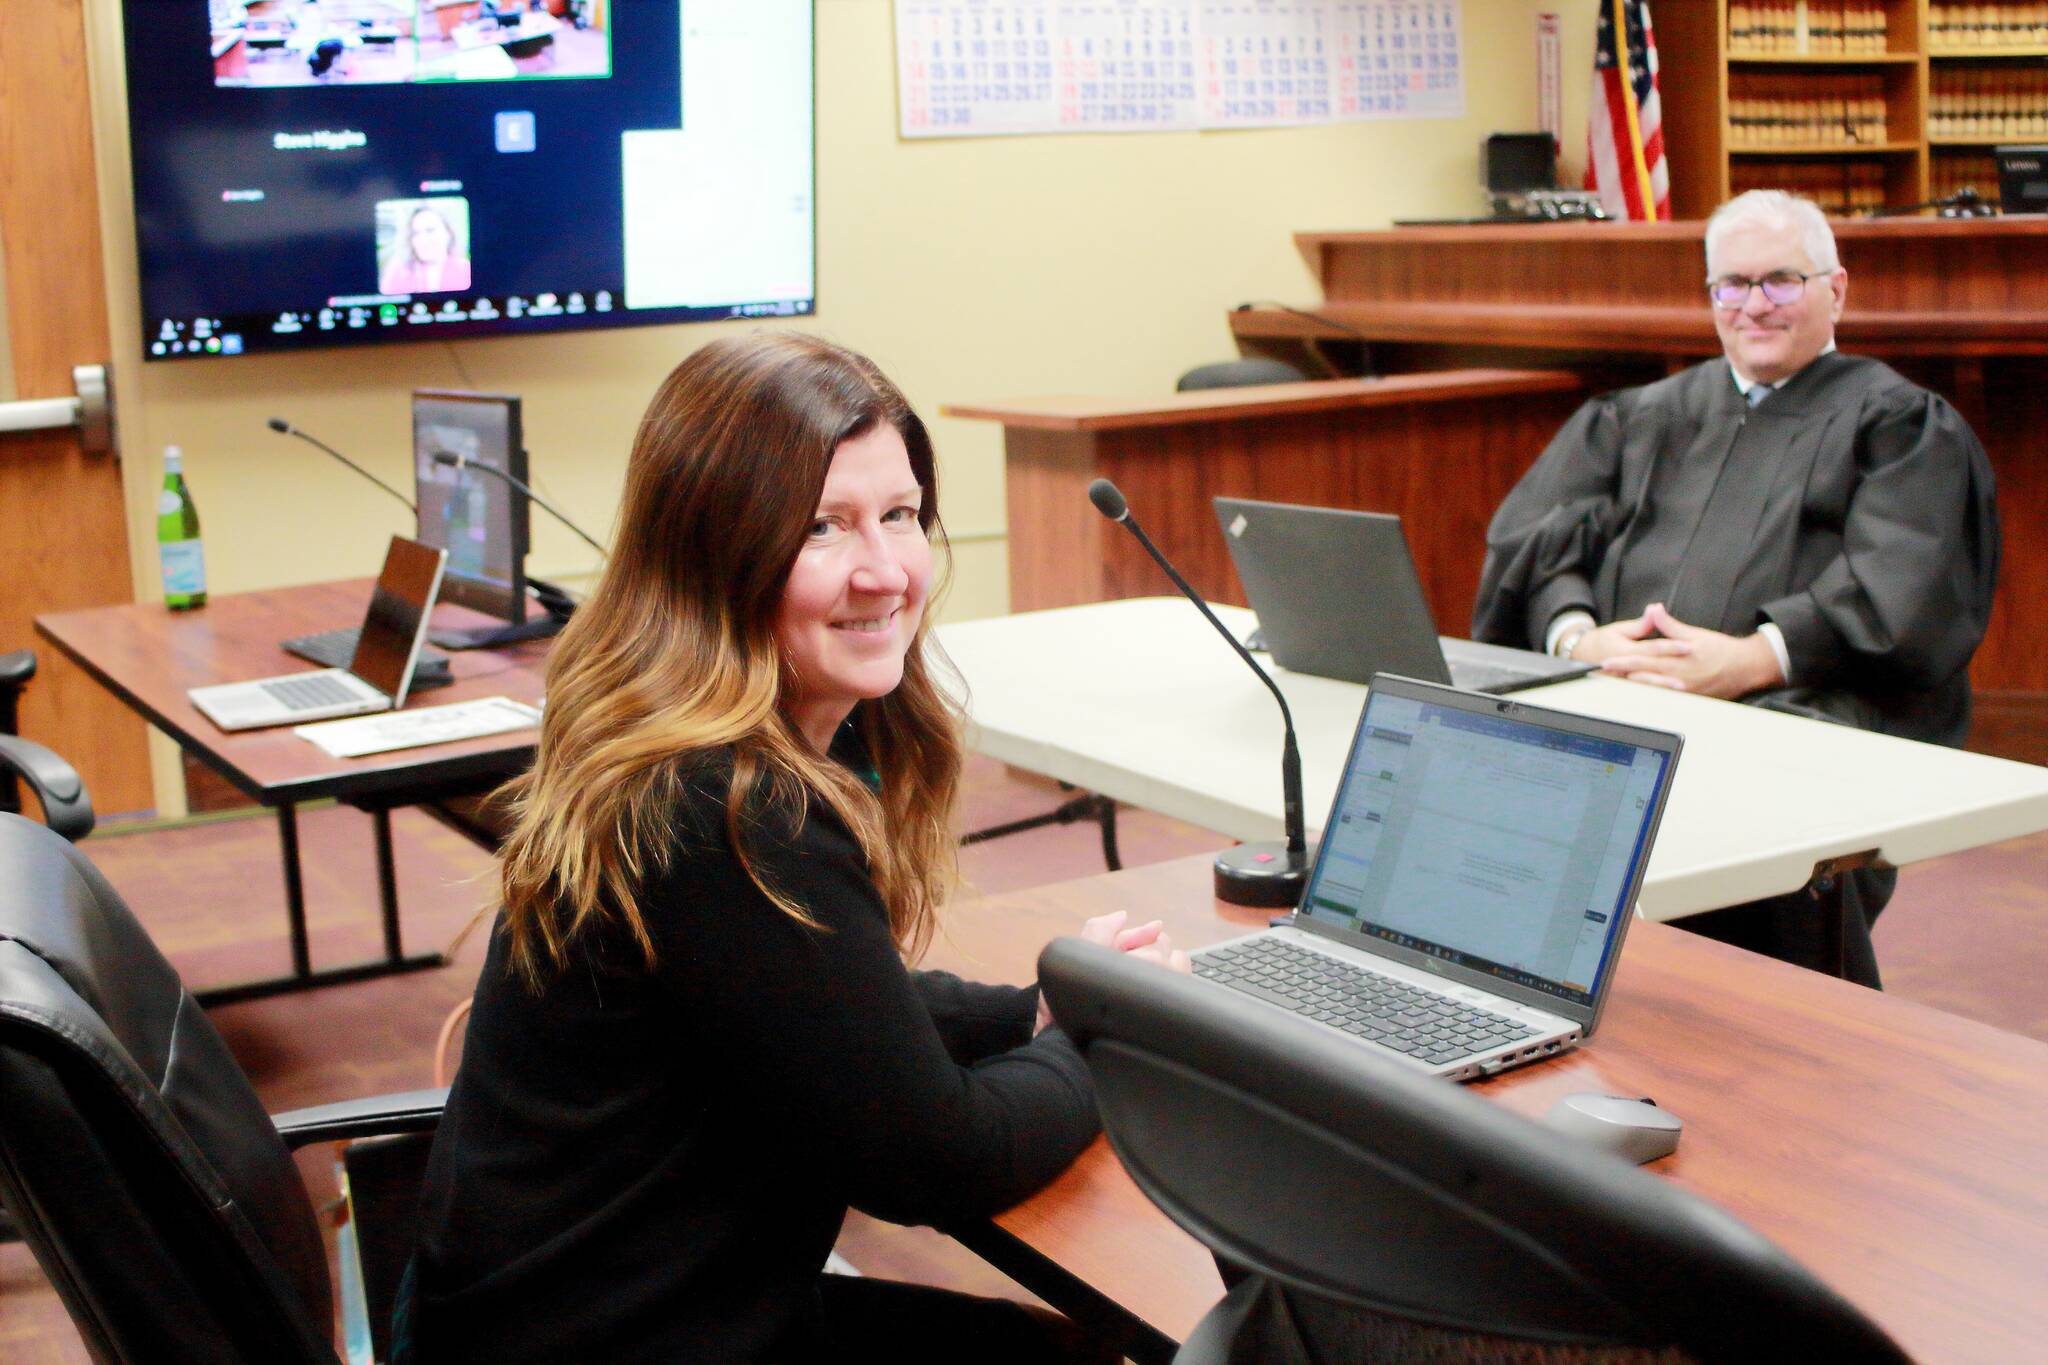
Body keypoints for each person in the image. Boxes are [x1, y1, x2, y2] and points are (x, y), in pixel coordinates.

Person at [400, 332, 1186, 1363]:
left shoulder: (672, 745)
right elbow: (936, 1163)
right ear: (711, 552)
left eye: (898, 516)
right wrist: (1087, 1051)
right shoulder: (724, 809)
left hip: (564, 1315)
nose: (883, 569)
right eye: (821, 528)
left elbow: (816, 997)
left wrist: (1030, 1012)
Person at [1472, 189, 1999, 987]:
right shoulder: (1645, 414)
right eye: (1732, 285)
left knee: (1771, 785)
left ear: (1837, 290)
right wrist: (1579, 635)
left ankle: (1791, 1049)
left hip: (1799, 704)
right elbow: (1534, 542)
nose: (1754, 305)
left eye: (1780, 281)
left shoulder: (1896, 423)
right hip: (1622, 689)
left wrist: (1752, 659)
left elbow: (1905, 586)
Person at [380, 205, 472, 295]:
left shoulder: (466, 269)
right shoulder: (398, 274)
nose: (422, 239)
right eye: (415, 233)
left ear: (448, 233)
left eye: (430, 230)